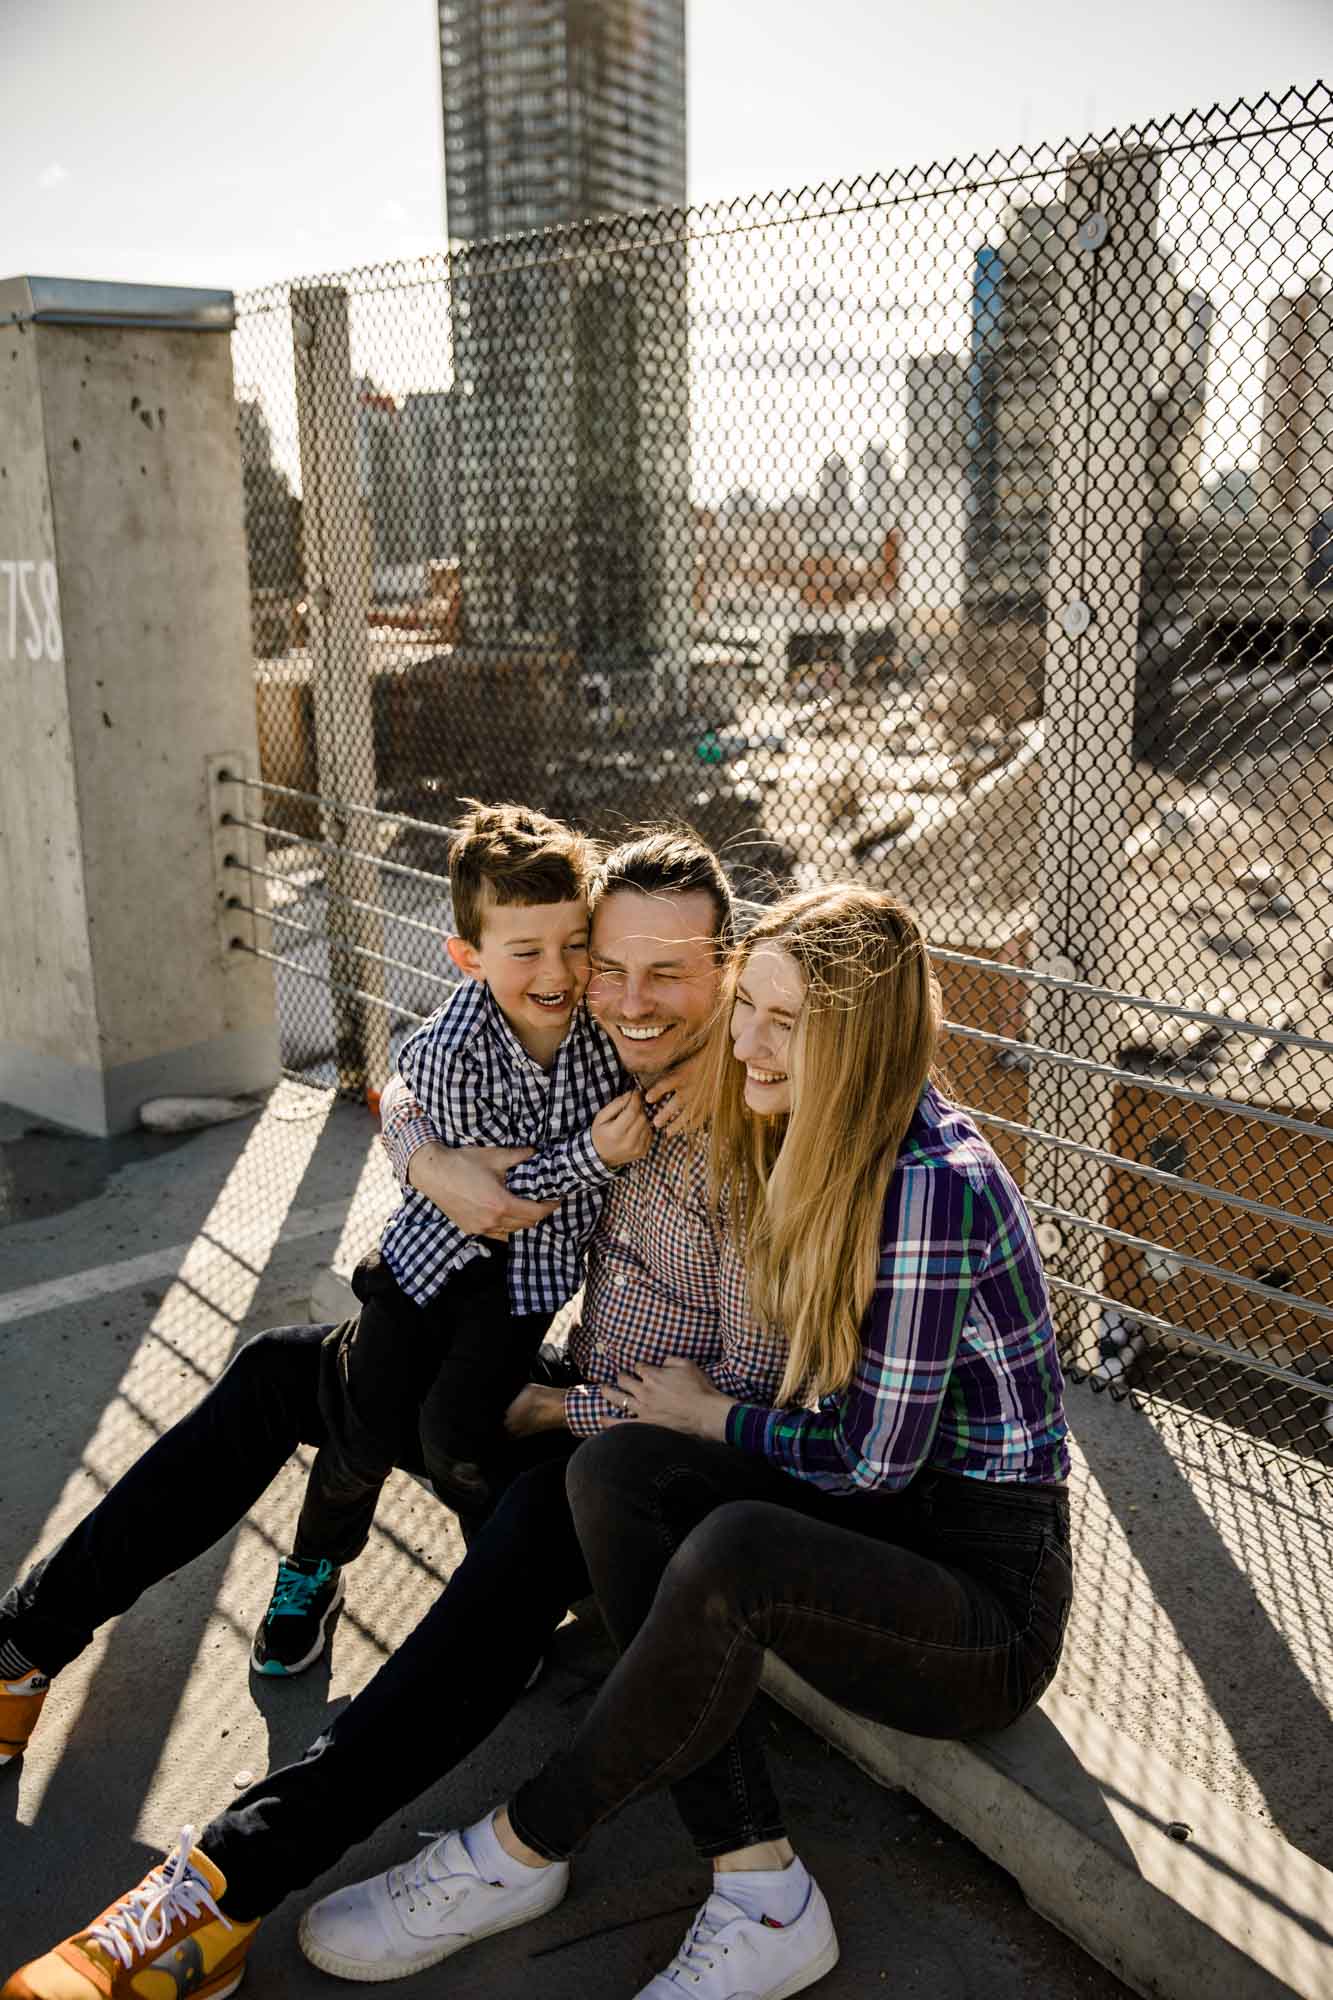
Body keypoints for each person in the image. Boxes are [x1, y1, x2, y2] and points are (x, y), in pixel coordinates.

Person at [1, 834, 790, 2000]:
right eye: (603, 963)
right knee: (284, 1371)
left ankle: (219, 1891)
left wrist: (554, 1400)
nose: (616, 997)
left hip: (622, 1457)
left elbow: (738, 1398)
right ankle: (22, 1649)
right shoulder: (599, 1037)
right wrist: (424, 1155)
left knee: (489, 1561)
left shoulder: (754, 1137)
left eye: (662, 974)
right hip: (531, 1364)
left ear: (725, 970)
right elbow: (429, 1060)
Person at [285, 884, 1074, 2000]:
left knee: (734, 1548)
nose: (745, 1039)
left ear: (858, 1036)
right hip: (877, 1523)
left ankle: (518, 1848)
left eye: (783, 1022)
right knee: (611, 1470)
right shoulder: (817, 1126)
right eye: (747, 1002)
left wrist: (709, 1415)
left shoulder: (927, 1185)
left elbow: (868, 1461)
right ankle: (761, 1887)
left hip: (978, 1601)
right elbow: (469, 1061)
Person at [249, 799, 651, 1677]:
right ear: (468, 956)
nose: (557, 970)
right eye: (525, 951)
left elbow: (528, 1180)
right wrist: (590, 1152)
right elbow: (494, 1202)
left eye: (574, 943)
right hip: (429, 1273)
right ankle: (312, 1568)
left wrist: (552, 1160)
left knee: (462, 1442)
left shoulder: (605, 1038)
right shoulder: (448, 1050)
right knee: (362, 1433)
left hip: (520, 1294)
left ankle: (497, 1594)